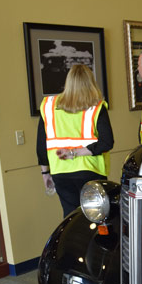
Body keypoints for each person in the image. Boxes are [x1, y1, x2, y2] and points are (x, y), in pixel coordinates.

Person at [36, 64, 114, 217]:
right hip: (91, 171)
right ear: (91, 82)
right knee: (96, 218)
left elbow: (41, 145)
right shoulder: (96, 106)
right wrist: (75, 152)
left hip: (60, 173)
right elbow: (107, 142)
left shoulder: (48, 106)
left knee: (71, 219)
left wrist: (45, 173)